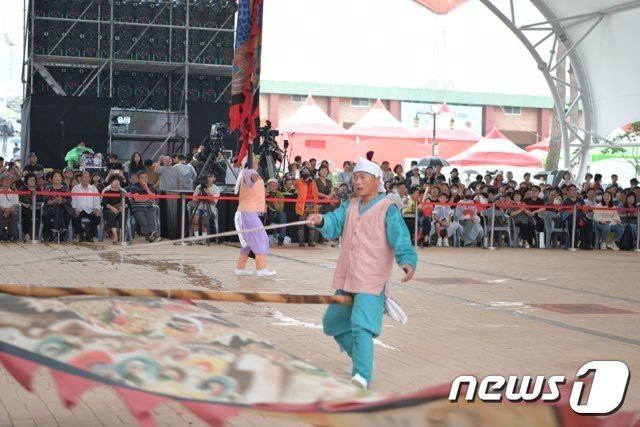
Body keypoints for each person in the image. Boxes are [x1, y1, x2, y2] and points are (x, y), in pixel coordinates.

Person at [306, 158, 417, 390]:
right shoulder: (350, 205)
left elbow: (400, 236)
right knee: (333, 322)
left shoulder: (388, 208)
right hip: (348, 275)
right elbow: (334, 222)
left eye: (363, 177)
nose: (357, 182)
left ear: (377, 180)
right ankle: (361, 358)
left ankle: (362, 376)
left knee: (361, 325)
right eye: (355, 177)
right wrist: (320, 220)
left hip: (372, 278)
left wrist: (407, 260)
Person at [234, 165, 276, 277]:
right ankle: (261, 269)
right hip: (248, 212)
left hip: (249, 211)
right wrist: (253, 176)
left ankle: (240, 268)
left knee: (248, 243)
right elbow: (250, 178)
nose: (257, 160)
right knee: (261, 238)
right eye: (255, 158)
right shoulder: (249, 172)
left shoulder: (251, 172)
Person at [128, 171, 160, 242]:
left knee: (151, 222)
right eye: (142, 178)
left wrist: (146, 189)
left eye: (146, 177)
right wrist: (148, 198)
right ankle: (152, 236)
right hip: (137, 208)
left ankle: (151, 236)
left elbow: (153, 198)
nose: (144, 179)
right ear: (138, 179)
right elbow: (137, 199)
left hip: (149, 207)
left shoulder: (150, 186)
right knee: (144, 223)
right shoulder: (134, 186)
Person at [71, 171, 101, 242]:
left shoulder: (93, 189)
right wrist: (75, 208)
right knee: (74, 217)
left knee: (97, 218)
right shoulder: (75, 188)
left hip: (90, 210)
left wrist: (96, 208)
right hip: (79, 210)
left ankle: (90, 234)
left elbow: (97, 201)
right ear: (81, 178)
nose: (86, 179)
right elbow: (73, 200)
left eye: (88, 177)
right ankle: (81, 234)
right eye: (84, 177)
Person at [191, 173, 220, 242]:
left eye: (211, 176)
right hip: (199, 207)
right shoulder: (199, 187)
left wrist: (208, 193)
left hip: (210, 209)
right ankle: (196, 238)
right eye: (207, 176)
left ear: (214, 179)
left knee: (205, 218)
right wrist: (196, 199)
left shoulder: (216, 189)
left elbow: (213, 202)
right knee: (195, 218)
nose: (208, 178)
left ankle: (203, 239)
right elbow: (193, 197)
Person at [295, 167, 319, 246]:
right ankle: (301, 242)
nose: (305, 173)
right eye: (304, 172)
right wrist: (304, 181)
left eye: (307, 172)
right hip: (302, 205)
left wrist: (317, 204)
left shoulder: (313, 182)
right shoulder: (299, 181)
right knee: (301, 223)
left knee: (311, 223)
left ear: (310, 173)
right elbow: (295, 186)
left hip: (312, 204)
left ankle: (311, 241)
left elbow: (315, 193)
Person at [102, 175, 128, 245]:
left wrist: (123, 206)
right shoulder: (106, 192)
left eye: (118, 180)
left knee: (123, 214)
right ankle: (115, 234)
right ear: (110, 182)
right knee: (111, 214)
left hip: (120, 210)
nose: (116, 182)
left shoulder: (123, 192)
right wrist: (112, 208)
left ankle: (121, 234)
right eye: (114, 180)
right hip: (109, 211)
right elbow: (104, 203)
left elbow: (128, 203)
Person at [265, 178, 287, 246]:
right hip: (265, 214)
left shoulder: (280, 195)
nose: (273, 187)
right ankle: (262, 238)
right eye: (271, 185)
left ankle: (281, 238)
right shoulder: (263, 192)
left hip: (275, 214)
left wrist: (275, 203)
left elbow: (280, 209)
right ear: (268, 186)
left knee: (283, 215)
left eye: (274, 185)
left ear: (277, 186)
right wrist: (263, 196)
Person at [0, 173, 19, 241]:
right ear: (0, 181)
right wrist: (4, 210)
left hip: (11, 210)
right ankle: (1, 235)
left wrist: (8, 211)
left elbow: (15, 204)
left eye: (9, 180)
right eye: (5, 179)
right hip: (1, 209)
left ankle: (12, 235)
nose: (7, 181)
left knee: (15, 214)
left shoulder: (14, 192)